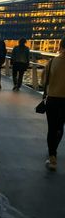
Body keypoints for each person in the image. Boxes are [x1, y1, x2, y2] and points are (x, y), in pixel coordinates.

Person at [43, 36, 65, 171]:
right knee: (60, 127)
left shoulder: (51, 62)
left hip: (52, 99)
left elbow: (44, 81)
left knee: (51, 127)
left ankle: (52, 157)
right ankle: (54, 148)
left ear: (60, 47)